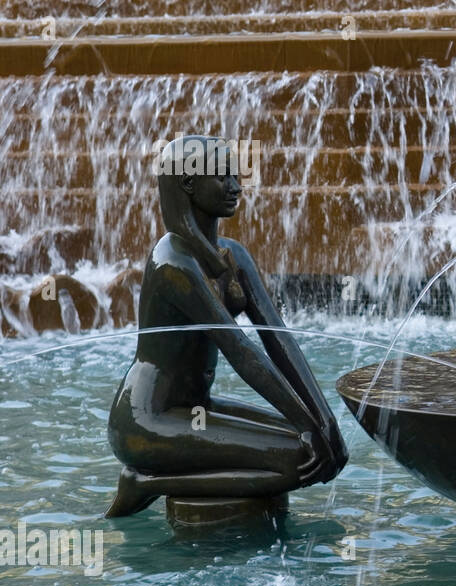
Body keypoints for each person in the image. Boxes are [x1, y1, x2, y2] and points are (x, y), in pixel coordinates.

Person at [106, 135, 347, 517]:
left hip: (195, 410)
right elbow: (241, 351)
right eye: (223, 177)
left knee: (323, 447)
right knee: (300, 458)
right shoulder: (173, 262)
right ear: (188, 184)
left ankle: (156, 480)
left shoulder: (233, 255)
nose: (236, 187)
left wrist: (323, 418)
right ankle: (145, 483)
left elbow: (277, 339)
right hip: (146, 420)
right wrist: (310, 425)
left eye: (236, 175)